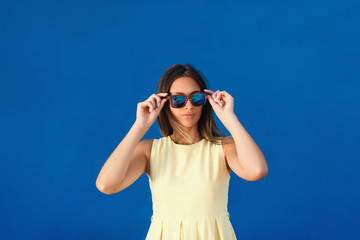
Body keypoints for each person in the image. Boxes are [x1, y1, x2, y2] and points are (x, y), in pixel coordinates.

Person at [96, 64, 268, 239]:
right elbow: (106, 185)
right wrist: (140, 126)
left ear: (206, 102)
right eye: (178, 100)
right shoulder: (149, 150)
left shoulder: (223, 147)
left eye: (197, 98)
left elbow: (257, 171)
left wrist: (229, 117)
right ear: (165, 104)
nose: (188, 106)